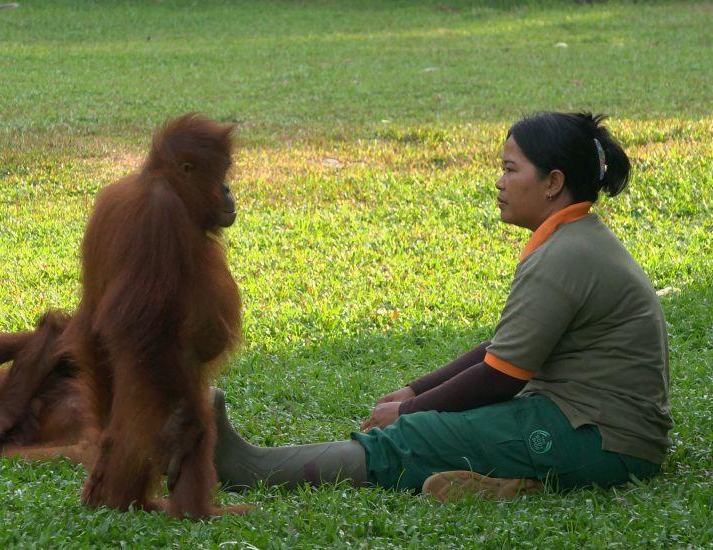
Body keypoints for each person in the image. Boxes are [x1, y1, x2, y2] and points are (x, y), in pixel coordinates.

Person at [214, 112, 672, 501]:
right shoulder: (574, 239)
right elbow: (503, 350)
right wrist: (416, 391)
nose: (500, 182)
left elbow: (499, 377)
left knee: (417, 439)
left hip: (599, 439)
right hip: (589, 426)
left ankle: (248, 468)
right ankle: (514, 484)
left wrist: (410, 415)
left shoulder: (566, 255)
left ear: (553, 182)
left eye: (511, 170)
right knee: (442, 425)